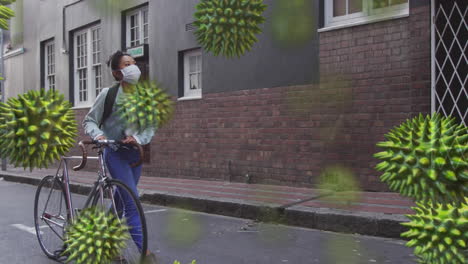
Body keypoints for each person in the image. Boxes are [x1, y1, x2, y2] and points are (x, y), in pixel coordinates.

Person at [83, 50, 157, 263]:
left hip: (134, 156)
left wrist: (138, 138)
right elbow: (89, 121)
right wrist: (99, 135)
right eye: (127, 64)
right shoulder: (109, 94)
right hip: (114, 153)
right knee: (132, 203)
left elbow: (151, 126)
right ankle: (146, 254)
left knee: (121, 202)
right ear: (117, 73)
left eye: (134, 62)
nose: (134, 67)